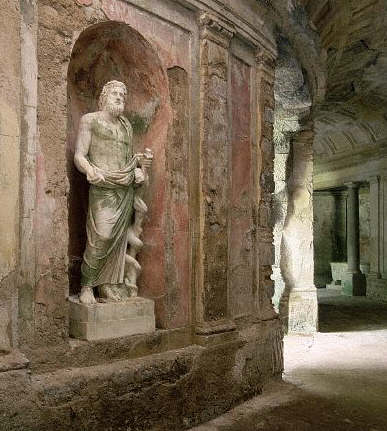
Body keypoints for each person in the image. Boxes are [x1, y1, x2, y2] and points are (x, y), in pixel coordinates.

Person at [74, 80, 151, 304]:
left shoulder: (126, 125)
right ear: (104, 96)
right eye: (115, 94)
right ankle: (87, 285)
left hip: (124, 187)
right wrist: (89, 170)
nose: (119, 98)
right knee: (101, 237)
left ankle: (107, 284)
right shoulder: (90, 120)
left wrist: (138, 169)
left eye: (122, 95)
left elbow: (128, 158)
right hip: (103, 186)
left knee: (117, 242)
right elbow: (79, 155)